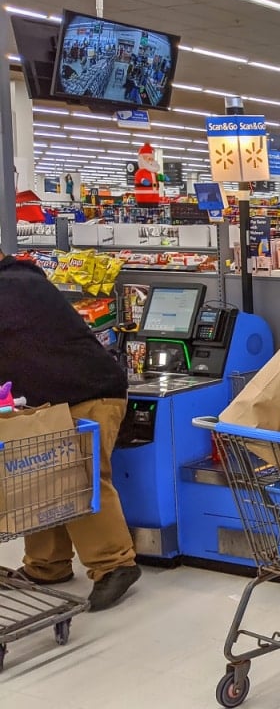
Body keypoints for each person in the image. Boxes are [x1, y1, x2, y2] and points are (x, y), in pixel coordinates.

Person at [0, 255, 141, 611]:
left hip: (89, 393)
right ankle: (47, 566)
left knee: (83, 478)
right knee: (41, 479)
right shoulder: (22, 280)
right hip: (55, 395)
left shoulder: (14, 288)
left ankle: (115, 565)